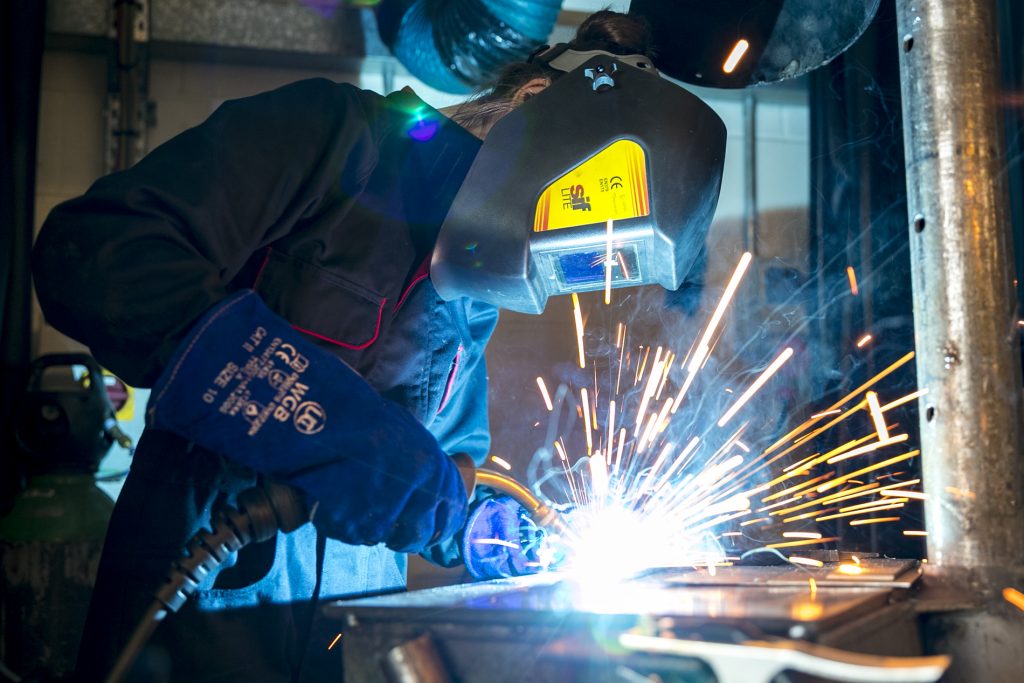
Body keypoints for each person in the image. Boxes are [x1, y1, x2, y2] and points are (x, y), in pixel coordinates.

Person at [31, 10, 658, 683]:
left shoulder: (472, 279)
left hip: (347, 638)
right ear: (533, 107)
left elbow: (427, 479)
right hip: (200, 610)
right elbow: (97, 254)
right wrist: (327, 430)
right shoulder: (335, 138)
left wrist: (485, 528)